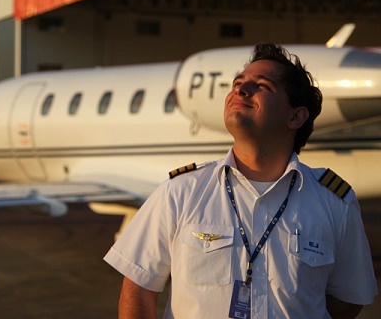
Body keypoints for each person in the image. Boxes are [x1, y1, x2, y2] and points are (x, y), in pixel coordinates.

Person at [104, 43, 377, 318]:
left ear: (295, 116)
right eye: (238, 83)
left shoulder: (334, 202)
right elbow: (137, 291)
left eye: (262, 85)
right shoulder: (180, 191)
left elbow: (349, 299)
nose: (240, 90)